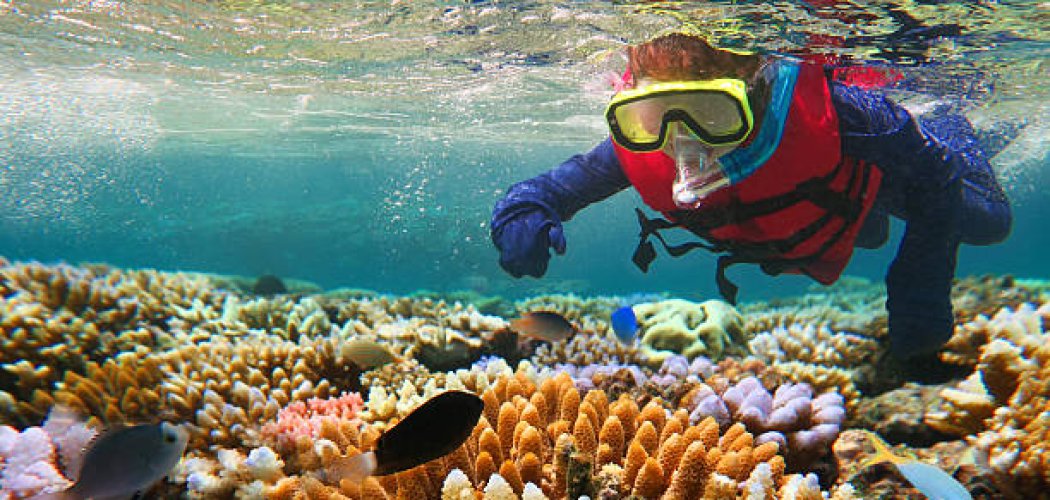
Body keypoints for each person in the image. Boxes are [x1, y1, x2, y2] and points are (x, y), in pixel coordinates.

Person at [489, 33, 1011, 359]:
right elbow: (547, 190)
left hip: (860, 176)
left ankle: (948, 121)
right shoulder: (639, 149)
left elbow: (935, 175)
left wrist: (919, 286)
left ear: (758, 90)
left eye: (713, 114)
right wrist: (520, 212)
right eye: (653, 117)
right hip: (819, 212)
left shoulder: (847, 114)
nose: (683, 140)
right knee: (869, 236)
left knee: (988, 221)